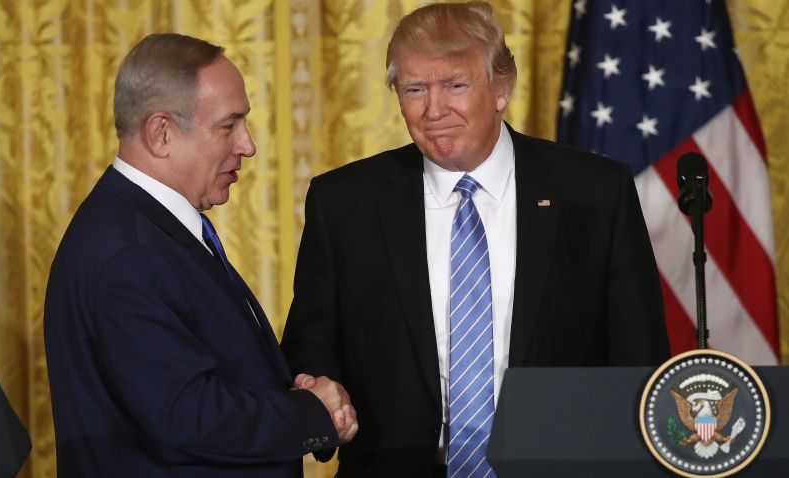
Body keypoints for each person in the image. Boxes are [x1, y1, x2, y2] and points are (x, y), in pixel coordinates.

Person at [280, 2, 670, 476]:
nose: (434, 109)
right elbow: (310, 341)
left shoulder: (594, 192)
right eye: (415, 89)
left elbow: (638, 354)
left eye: (455, 86)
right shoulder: (344, 202)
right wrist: (327, 406)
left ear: (502, 88)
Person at [44, 33, 357, 477]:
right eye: (229, 125)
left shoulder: (146, 230)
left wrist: (292, 391)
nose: (247, 145)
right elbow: (186, 414)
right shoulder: (128, 252)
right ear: (161, 133)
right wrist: (310, 413)